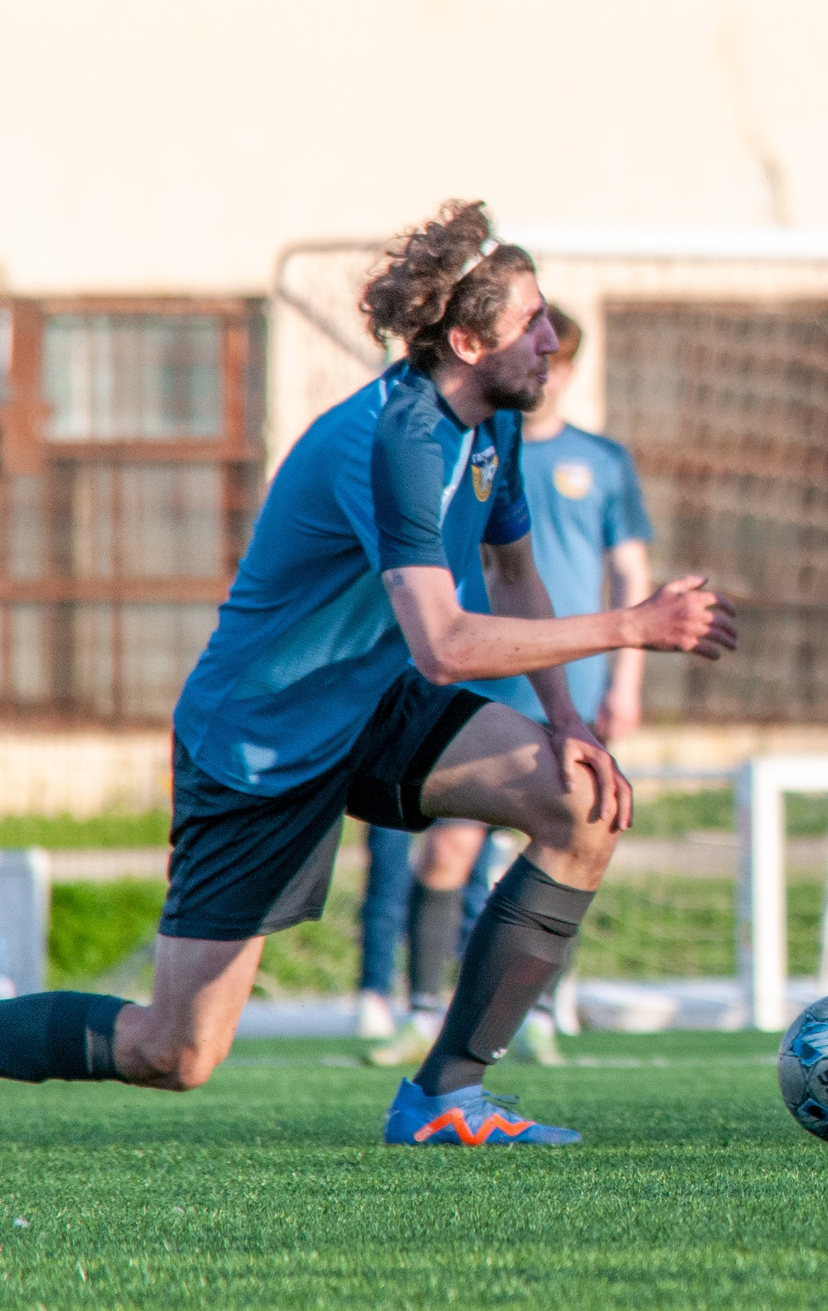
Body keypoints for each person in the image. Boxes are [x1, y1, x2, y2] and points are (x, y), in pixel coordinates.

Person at [0, 202, 735, 1147]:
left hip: (373, 704)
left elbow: (514, 571)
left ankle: (445, 1100)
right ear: (467, 340)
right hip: (261, 738)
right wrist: (634, 626)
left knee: (580, 804)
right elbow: (445, 645)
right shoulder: (396, 441)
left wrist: (570, 724)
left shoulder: (494, 423)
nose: (554, 340)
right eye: (534, 323)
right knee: (173, 1054)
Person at [365, 304, 653, 1070]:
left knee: (579, 830)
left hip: (567, 675)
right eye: (535, 349)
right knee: (447, 856)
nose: (546, 367)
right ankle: (422, 1012)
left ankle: (536, 1014)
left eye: (557, 357)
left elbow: (622, 567)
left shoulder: (599, 460)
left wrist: (621, 679)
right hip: (485, 669)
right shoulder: (452, 440)